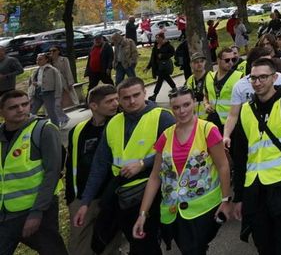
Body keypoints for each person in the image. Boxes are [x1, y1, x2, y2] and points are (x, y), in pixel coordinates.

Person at [73, 77, 175, 255]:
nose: (132, 101)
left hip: (154, 191)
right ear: (119, 100)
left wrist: (143, 164)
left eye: (136, 95)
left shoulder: (162, 117)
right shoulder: (113, 122)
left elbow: (176, 151)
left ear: (145, 93)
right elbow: (99, 164)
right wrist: (85, 202)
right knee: (138, 243)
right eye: (126, 98)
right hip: (124, 196)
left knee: (144, 246)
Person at [132, 88, 232, 254]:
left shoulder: (208, 130)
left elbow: (223, 166)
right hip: (173, 213)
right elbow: (155, 177)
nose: (182, 111)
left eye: (186, 105)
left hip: (205, 209)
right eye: (176, 107)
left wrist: (226, 199)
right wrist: (142, 214)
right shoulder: (165, 136)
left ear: (194, 102)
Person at [231, 57, 281, 255]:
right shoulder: (246, 110)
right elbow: (240, 156)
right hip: (255, 189)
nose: (257, 82)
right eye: (253, 78)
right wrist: (239, 196)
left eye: (263, 77)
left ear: (274, 78)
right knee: (263, 245)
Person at [0, 90, 67, 255]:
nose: (21, 109)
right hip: (5, 214)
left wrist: (37, 213)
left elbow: (52, 173)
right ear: (1, 112)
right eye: (13, 107)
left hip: (37, 210)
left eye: (25, 104)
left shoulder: (44, 130)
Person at [66, 85, 122, 255]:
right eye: (109, 101)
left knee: (109, 243)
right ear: (94, 106)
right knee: (79, 244)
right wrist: (71, 197)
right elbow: (71, 164)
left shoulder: (121, 124)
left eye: (116, 99)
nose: (115, 104)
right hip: (83, 197)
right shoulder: (78, 130)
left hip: (111, 195)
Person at [204, 48, 243, 129]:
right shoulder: (209, 76)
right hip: (213, 121)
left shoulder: (239, 76)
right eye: (227, 60)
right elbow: (206, 96)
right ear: (218, 60)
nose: (231, 63)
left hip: (232, 123)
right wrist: (206, 105)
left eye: (233, 60)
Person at [29, 53, 67, 128]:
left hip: (48, 93)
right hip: (37, 93)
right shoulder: (36, 70)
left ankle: (55, 127)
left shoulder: (52, 70)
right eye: (37, 60)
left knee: (51, 112)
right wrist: (31, 93)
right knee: (32, 111)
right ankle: (30, 126)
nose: (38, 61)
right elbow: (31, 83)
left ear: (46, 60)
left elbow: (58, 83)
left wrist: (58, 95)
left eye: (40, 59)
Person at [147, 33, 177, 102]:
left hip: (165, 66)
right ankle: (175, 88)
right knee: (167, 78)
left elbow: (172, 53)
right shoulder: (155, 46)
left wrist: (163, 56)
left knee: (160, 80)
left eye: (158, 38)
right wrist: (148, 67)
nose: (157, 39)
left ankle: (154, 95)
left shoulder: (168, 45)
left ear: (162, 38)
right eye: (156, 38)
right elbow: (153, 58)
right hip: (158, 66)